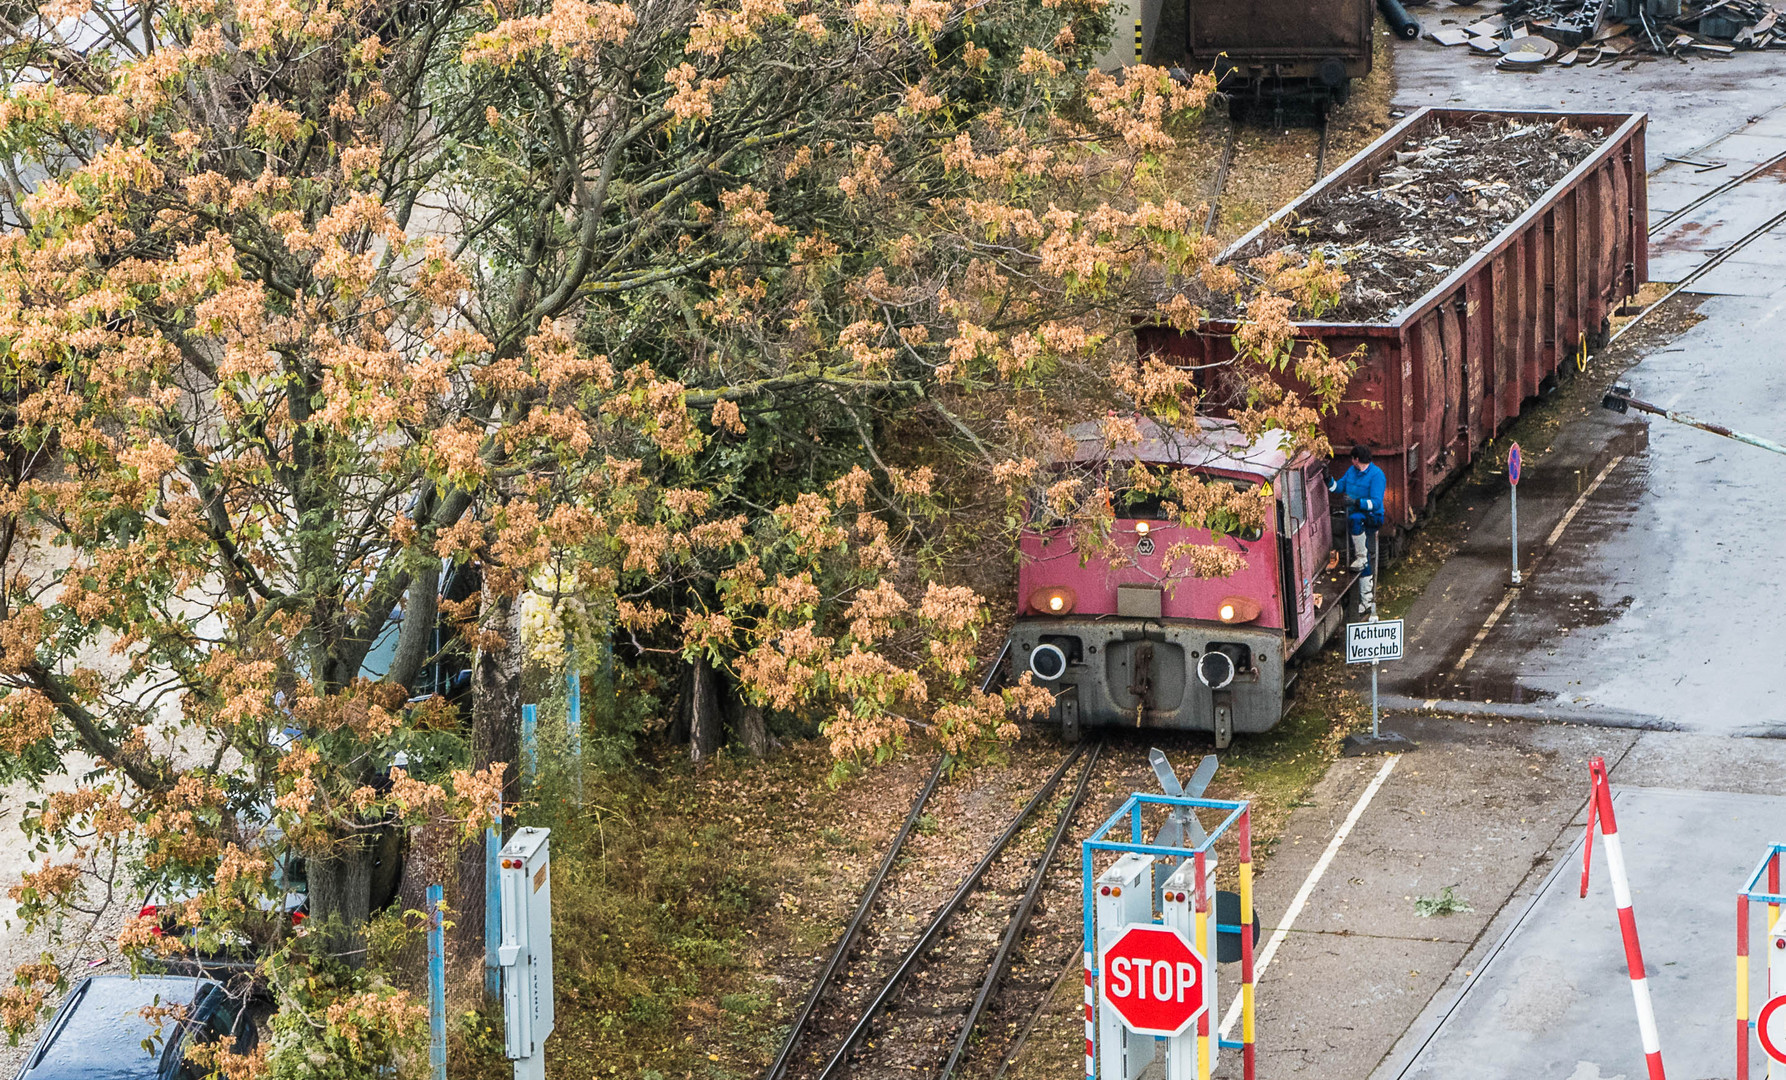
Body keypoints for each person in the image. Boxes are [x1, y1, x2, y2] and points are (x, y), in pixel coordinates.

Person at [1328, 444, 1386, 574]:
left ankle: (1362, 557)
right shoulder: (1351, 471)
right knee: (1354, 519)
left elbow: (1376, 503)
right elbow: (1338, 487)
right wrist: (1328, 480)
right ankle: (1365, 586)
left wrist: (1357, 502)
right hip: (1355, 514)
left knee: (1355, 519)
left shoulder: (1377, 475)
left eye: (1352, 459)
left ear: (1356, 459)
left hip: (1373, 516)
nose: (1351, 461)